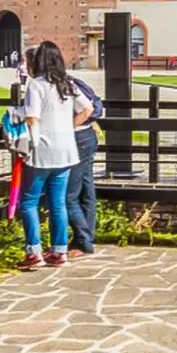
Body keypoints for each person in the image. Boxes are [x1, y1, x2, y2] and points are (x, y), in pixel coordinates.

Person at [19, 41, 93, 269]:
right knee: (58, 203)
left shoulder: (36, 85)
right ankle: (59, 251)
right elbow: (88, 108)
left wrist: (30, 144)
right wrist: (68, 126)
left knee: (29, 201)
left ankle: (34, 252)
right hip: (66, 150)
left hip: (42, 150)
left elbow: (32, 118)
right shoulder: (67, 84)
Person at [65, 75, 102, 260]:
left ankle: (84, 240)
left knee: (69, 195)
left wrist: (64, 127)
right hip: (87, 137)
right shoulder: (69, 81)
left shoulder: (64, 84)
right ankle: (85, 239)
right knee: (87, 191)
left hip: (78, 139)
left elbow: (87, 109)